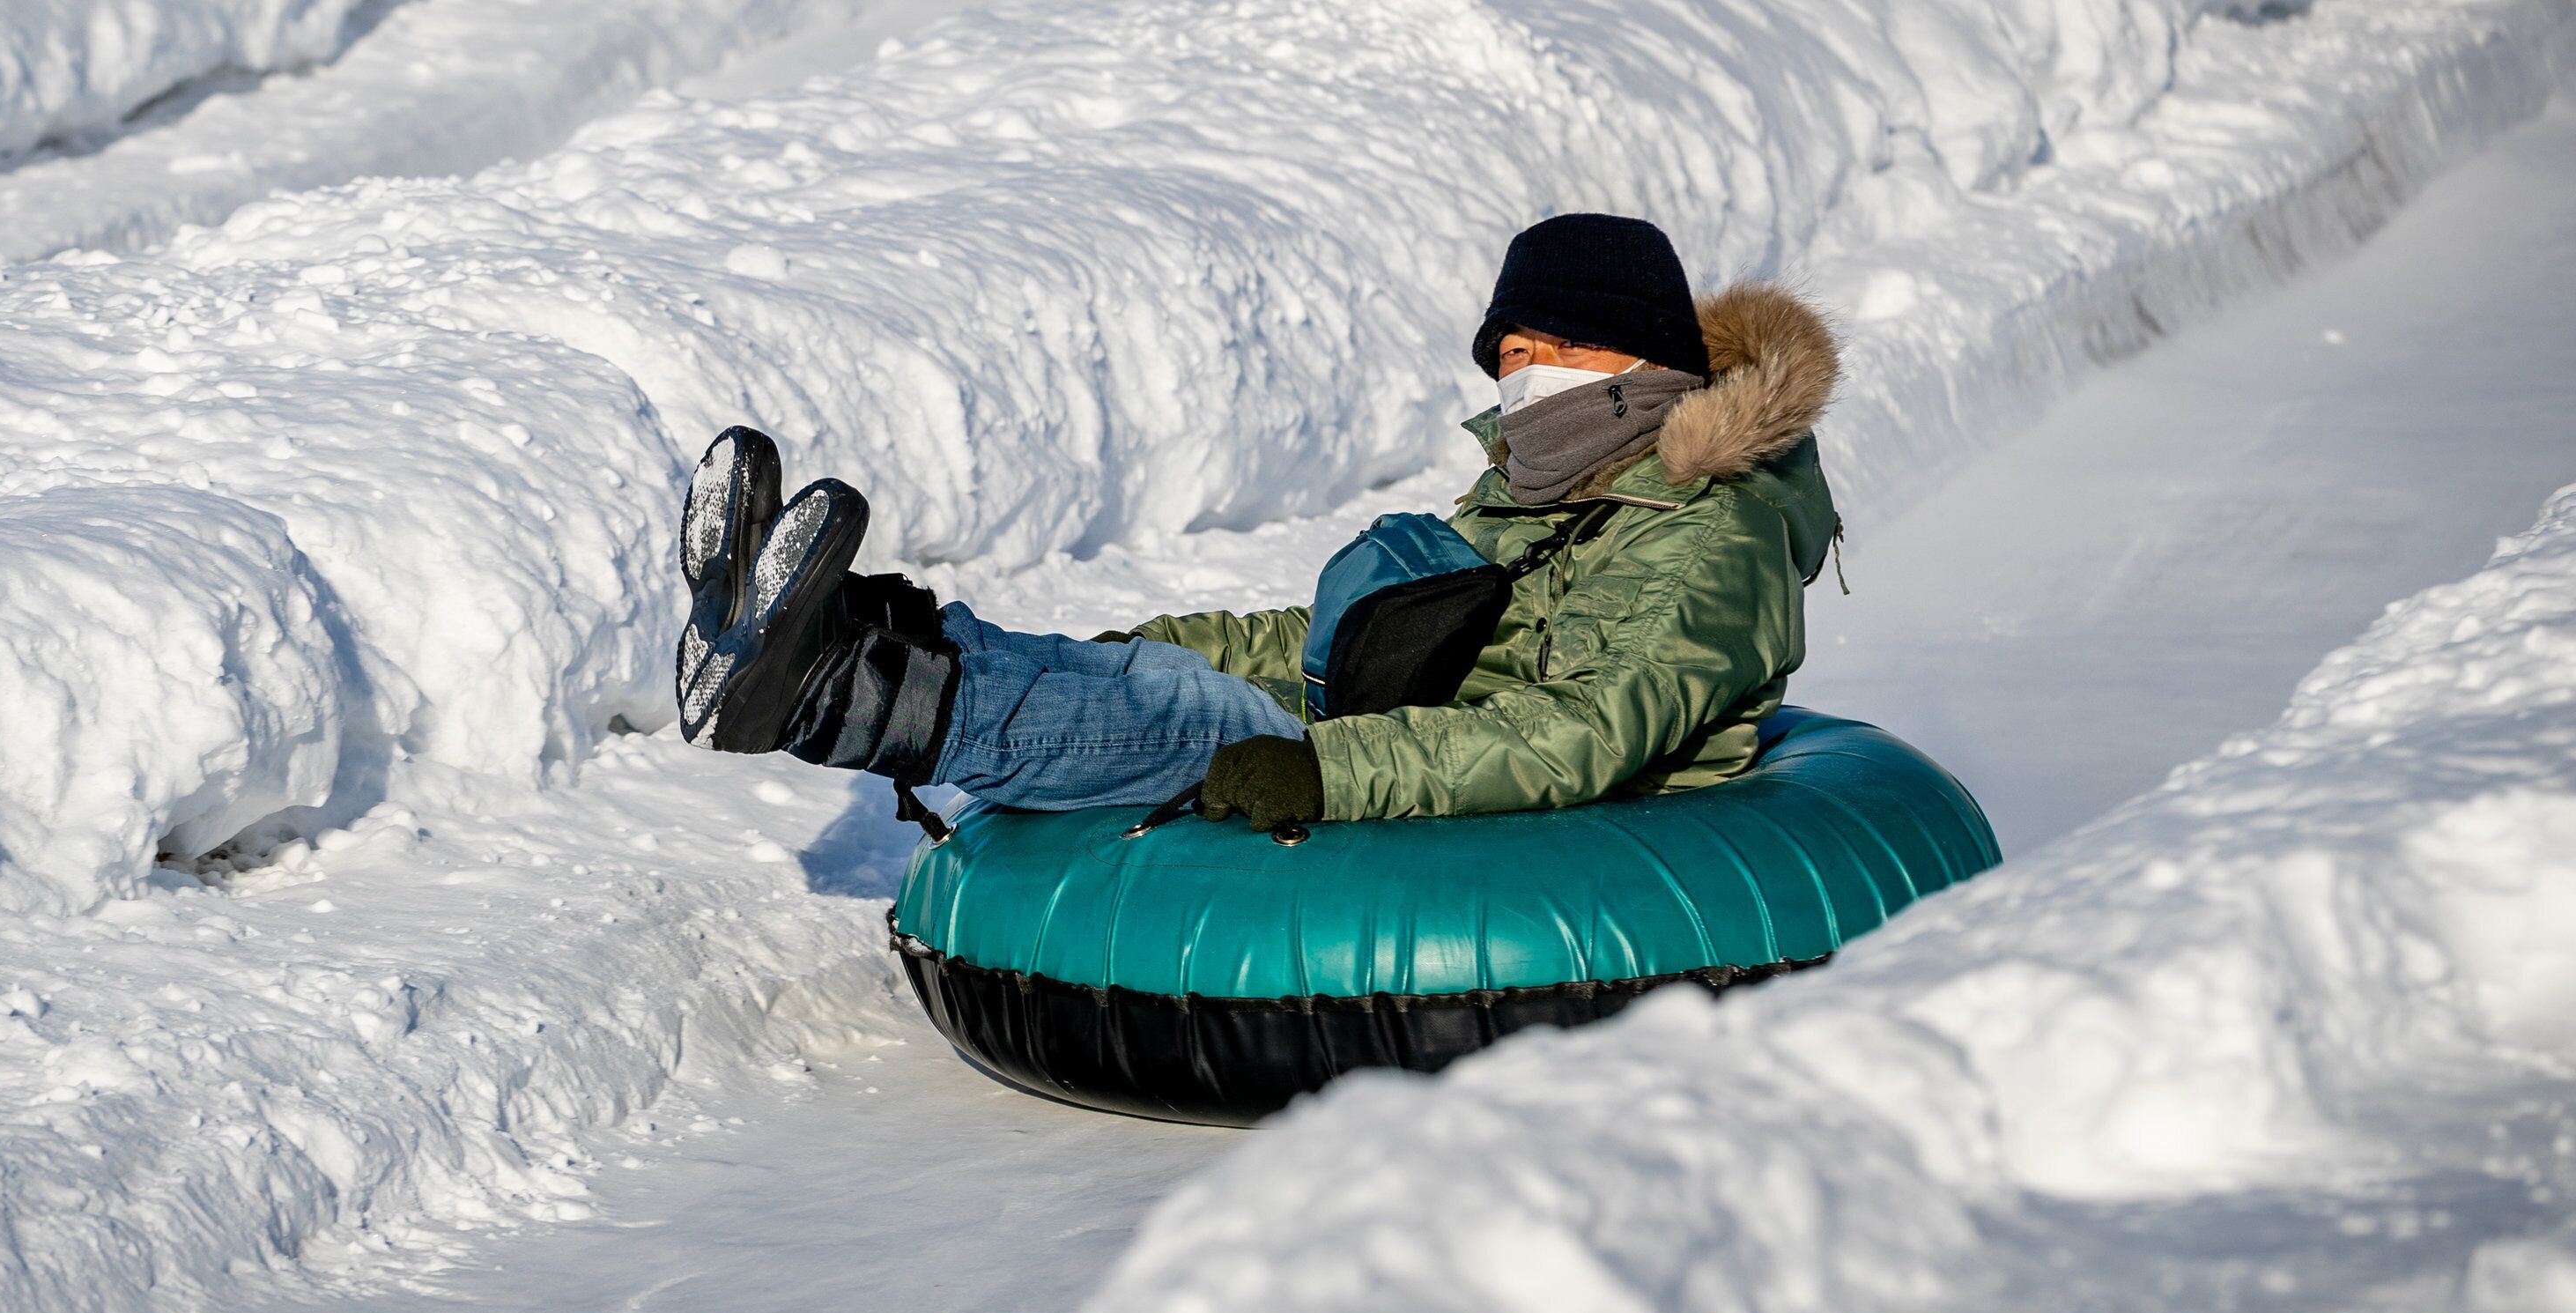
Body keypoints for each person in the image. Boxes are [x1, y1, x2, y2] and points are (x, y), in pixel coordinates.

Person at [675, 212, 1841, 831]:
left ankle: (829, 693)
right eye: (1508, 357)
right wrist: (1152, 640)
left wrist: (1320, 767)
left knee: (1188, 725)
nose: (1519, 379)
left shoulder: (1708, 533)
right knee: (1161, 677)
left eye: (1545, 351)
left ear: (1639, 360)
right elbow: (1381, 631)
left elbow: (1586, 733)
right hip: (1430, 728)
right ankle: (851, 634)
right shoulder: (1549, 486)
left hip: (1578, 815)